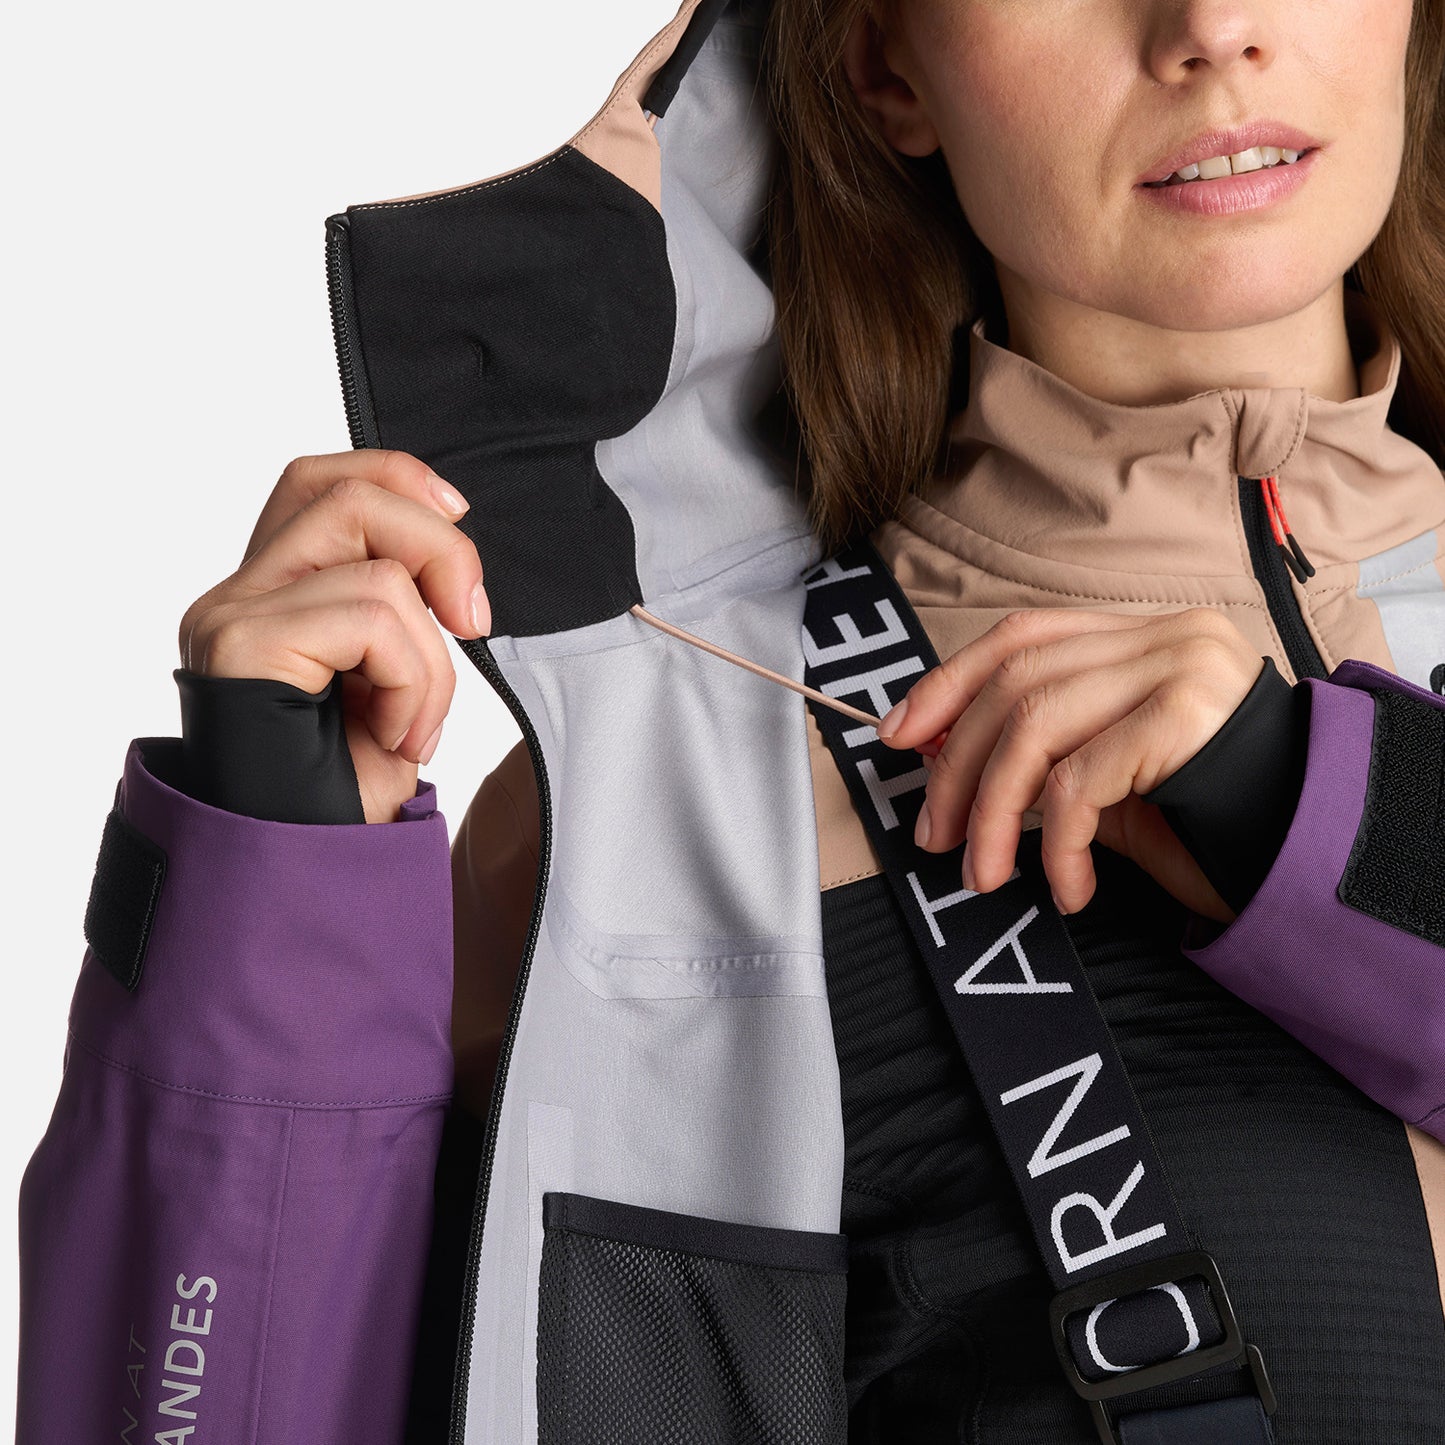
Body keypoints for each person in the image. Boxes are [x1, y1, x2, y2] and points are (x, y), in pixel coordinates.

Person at [16, 0, 1445, 1441]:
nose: (1212, 27)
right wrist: (269, 906)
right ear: (888, 65)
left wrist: (1323, 814)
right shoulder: (660, 800)